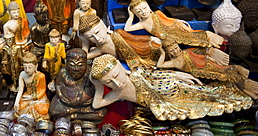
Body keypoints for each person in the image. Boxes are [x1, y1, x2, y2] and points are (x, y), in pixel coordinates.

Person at [90, 54, 252, 121]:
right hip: (168, 103)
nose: (117, 84)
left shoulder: (137, 74)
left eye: (117, 76)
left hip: (172, 87)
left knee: (206, 92)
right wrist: (97, 84)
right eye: (109, 83)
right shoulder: (119, 92)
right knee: (206, 104)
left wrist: (178, 75)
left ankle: (238, 90)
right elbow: (97, 104)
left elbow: (158, 75)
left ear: (119, 65)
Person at [157, 40, 258, 99]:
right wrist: (162, 53)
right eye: (172, 50)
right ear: (168, 52)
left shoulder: (186, 51)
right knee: (230, 76)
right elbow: (160, 65)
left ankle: (248, 85)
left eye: (176, 48)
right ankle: (250, 92)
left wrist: (209, 57)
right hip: (204, 73)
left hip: (210, 65)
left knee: (236, 69)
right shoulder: (174, 62)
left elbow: (200, 53)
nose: (175, 51)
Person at [125, 0, 224, 50]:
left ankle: (210, 38)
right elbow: (127, 29)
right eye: (138, 11)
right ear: (136, 14)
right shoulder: (142, 24)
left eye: (144, 7)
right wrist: (131, 16)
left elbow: (168, 20)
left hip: (173, 28)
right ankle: (207, 43)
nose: (143, 12)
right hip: (168, 38)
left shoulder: (156, 14)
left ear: (148, 6)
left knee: (191, 33)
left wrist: (177, 21)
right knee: (188, 39)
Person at [79, 14, 162, 71]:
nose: (97, 38)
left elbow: (135, 38)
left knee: (159, 50)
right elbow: (85, 56)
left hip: (141, 48)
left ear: (102, 24)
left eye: (97, 32)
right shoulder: (101, 49)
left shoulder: (117, 33)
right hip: (133, 60)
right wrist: (84, 41)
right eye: (91, 37)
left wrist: (150, 38)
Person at [49, 48, 106, 124]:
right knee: (54, 112)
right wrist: (61, 96)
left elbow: (96, 88)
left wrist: (90, 98)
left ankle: (74, 116)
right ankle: (79, 116)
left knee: (100, 113)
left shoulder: (89, 72)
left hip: (86, 106)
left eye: (80, 65)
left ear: (86, 64)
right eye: (72, 65)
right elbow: (58, 85)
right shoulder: (63, 71)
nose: (76, 69)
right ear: (66, 64)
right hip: (65, 104)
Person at [14, 52, 50, 120]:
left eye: (30, 67)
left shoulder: (41, 76)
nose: (27, 70)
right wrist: (16, 102)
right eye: (25, 67)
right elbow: (20, 90)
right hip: (27, 96)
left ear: (36, 66)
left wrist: (33, 97)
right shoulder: (22, 74)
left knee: (44, 110)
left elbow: (43, 89)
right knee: (20, 107)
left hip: (39, 97)